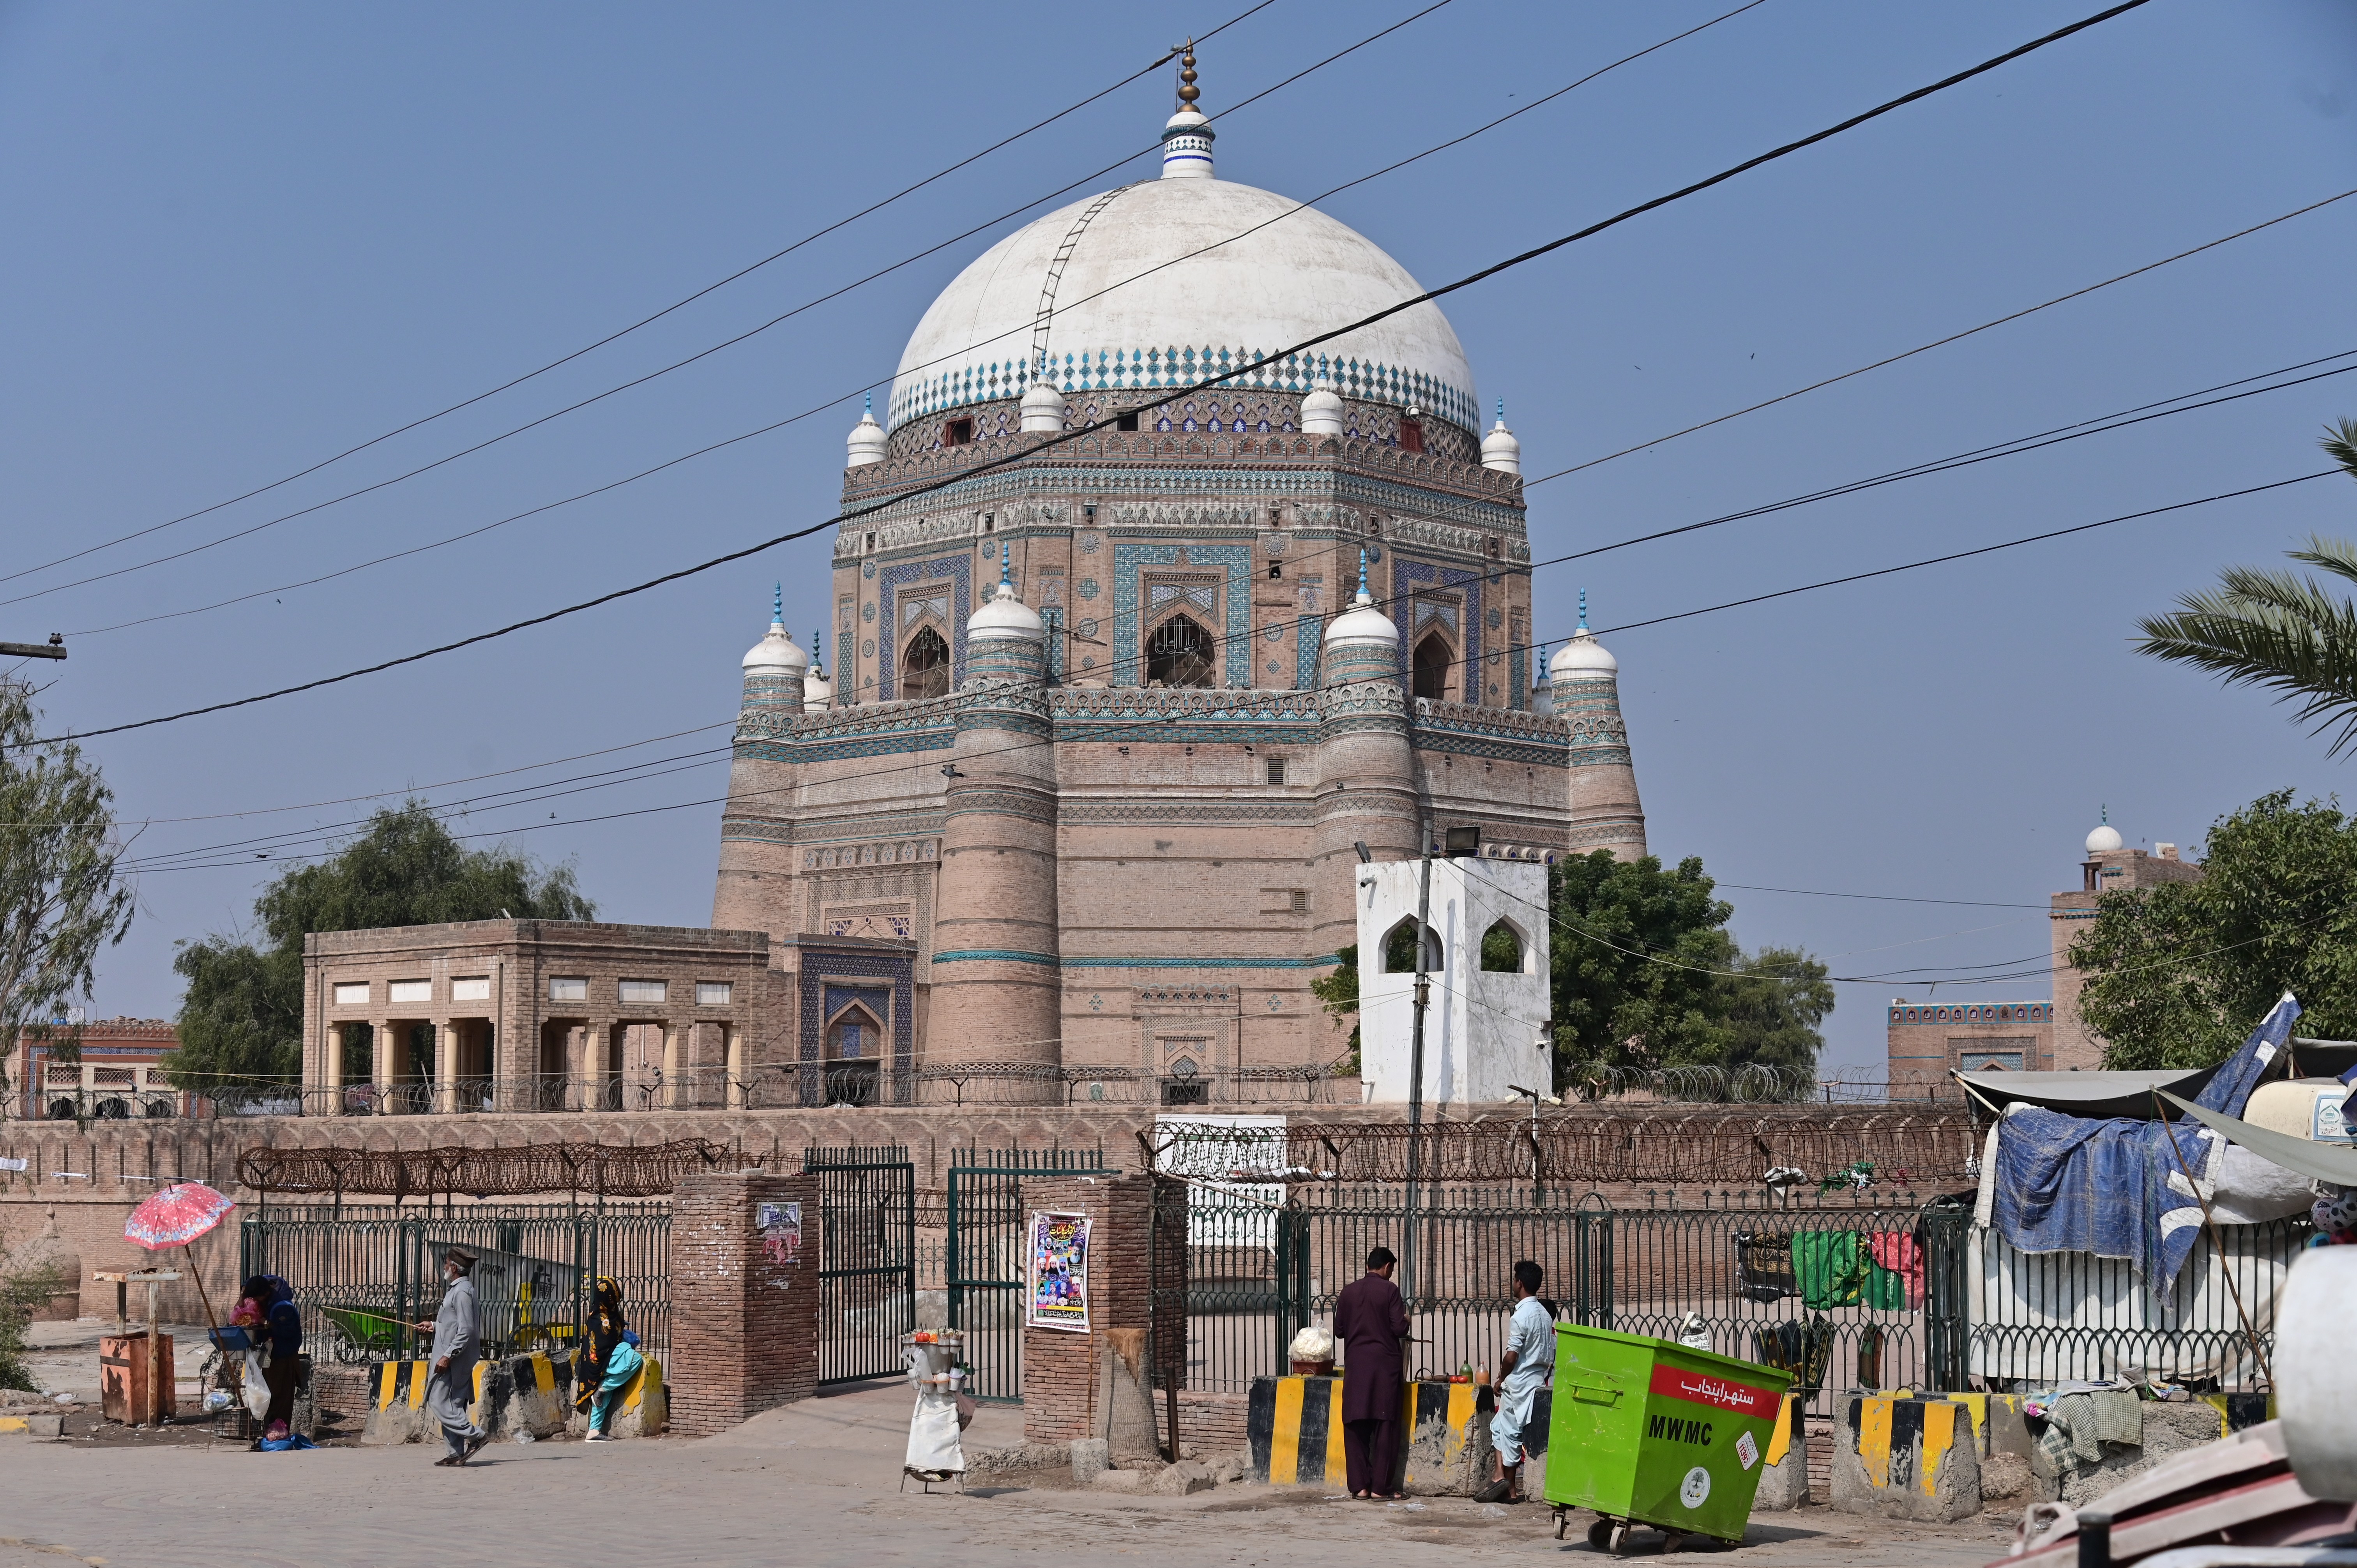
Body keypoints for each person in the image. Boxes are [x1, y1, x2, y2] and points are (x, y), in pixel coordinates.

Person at [1332, 1245, 1411, 1501]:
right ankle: (1380, 1489)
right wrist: (1407, 1318)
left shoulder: (1348, 1292)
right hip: (1384, 1369)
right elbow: (1399, 1328)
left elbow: (1340, 1331)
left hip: (1356, 1367)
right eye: (1392, 1270)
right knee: (1385, 1425)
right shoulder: (1390, 1290)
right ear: (1387, 1267)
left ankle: (1360, 1487)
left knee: (1354, 1424)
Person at [1478, 1259, 1555, 1503]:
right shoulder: (1544, 1313)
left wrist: (1502, 1377)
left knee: (1510, 1434)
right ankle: (1501, 1478)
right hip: (1536, 1379)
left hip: (1520, 1382)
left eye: (1514, 1280)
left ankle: (1508, 1488)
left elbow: (1512, 1356)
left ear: (1519, 1284)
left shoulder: (1521, 1315)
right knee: (1498, 1427)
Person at [415, 1247, 487, 1467]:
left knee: (438, 1401)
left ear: (454, 1268)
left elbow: (466, 1330)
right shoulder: (458, 1289)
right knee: (454, 1405)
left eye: (446, 1264)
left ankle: (476, 1435)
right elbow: (453, 1324)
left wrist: (447, 1356)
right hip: (451, 1357)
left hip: (454, 1360)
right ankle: (456, 1453)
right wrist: (434, 1326)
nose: (444, 1267)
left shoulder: (462, 1292)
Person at [573, 1275, 644, 1442]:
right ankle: (602, 1390)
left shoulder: (603, 1314)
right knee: (635, 1359)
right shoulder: (602, 1320)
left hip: (598, 1366)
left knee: (605, 1394)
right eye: (613, 1300)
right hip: (600, 1364)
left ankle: (594, 1431)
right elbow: (608, 1344)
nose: (615, 1304)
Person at [237, 1274, 303, 1443]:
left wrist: (266, 1324)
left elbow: (288, 1333)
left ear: (265, 1294)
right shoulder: (265, 1305)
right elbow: (239, 1312)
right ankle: (270, 1434)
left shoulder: (282, 1307)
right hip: (270, 1358)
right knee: (268, 1397)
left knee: (280, 1398)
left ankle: (279, 1435)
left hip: (283, 1358)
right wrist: (242, 1297)